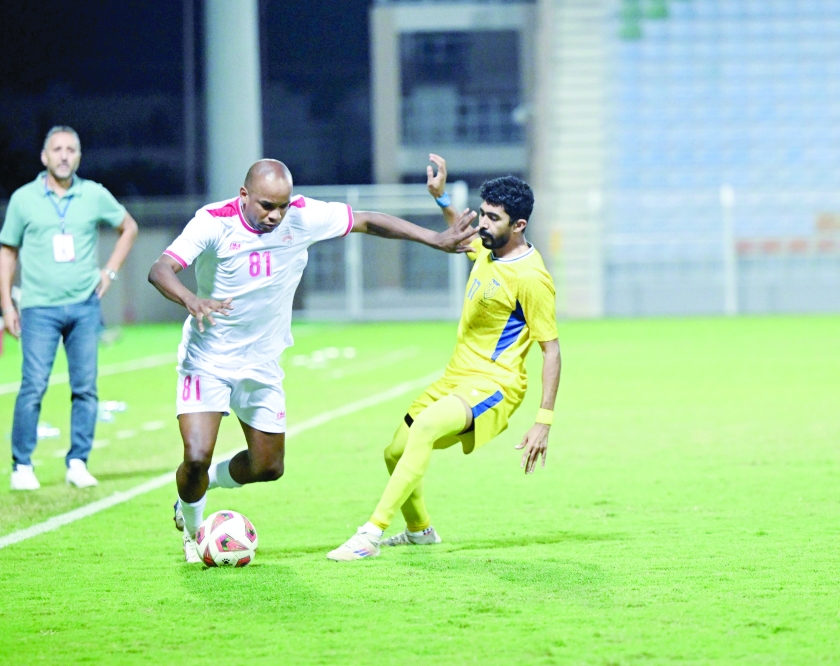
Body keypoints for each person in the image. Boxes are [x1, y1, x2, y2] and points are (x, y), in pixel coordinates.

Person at [147, 158, 478, 563]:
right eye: (267, 205)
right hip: (208, 358)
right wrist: (191, 299)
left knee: (268, 467)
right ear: (244, 196)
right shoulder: (212, 222)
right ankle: (195, 530)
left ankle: (205, 486)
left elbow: (368, 221)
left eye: (282, 205)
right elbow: (160, 269)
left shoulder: (302, 216)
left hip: (262, 364)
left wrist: (435, 239)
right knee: (196, 455)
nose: (276, 215)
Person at [327, 154, 562, 561]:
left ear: (519, 226)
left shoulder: (531, 278)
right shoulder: (490, 249)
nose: (482, 224)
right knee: (394, 452)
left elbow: (552, 348)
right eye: (482, 214)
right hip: (456, 379)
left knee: (425, 428)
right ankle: (420, 531)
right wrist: (440, 200)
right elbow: (463, 236)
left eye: (492, 218)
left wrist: (543, 420)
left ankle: (370, 534)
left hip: (495, 385)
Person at [0, 125, 139, 491]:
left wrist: (109, 271)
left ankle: (78, 461)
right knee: (33, 386)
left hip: (83, 306)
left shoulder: (92, 194)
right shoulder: (23, 199)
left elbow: (129, 227)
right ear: (44, 157)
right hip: (38, 307)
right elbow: (7, 251)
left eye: (71, 149)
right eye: (57, 149)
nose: (64, 155)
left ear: (78, 156)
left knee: (86, 388)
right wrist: (6, 304)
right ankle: (22, 465)